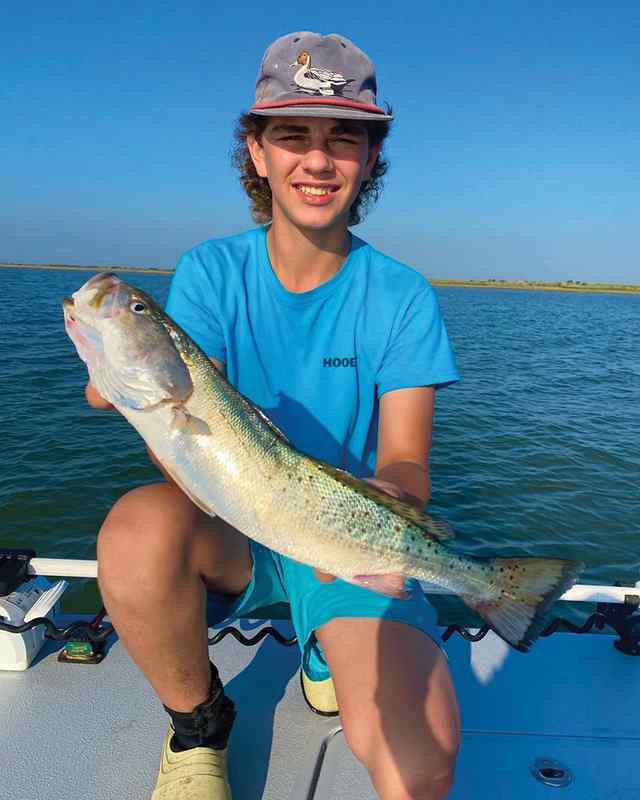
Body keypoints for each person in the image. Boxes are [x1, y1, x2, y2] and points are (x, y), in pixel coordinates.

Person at [87, 31, 461, 800]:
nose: (317, 161)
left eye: (343, 138)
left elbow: (406, 462)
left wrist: (390, 504)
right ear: (256, 153)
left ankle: (325, 644)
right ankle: (198, 726)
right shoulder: (210, 273)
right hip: (236, 529)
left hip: (340, 534)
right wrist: (129, 387)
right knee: (134, 528)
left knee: (419, 767)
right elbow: (189, 441)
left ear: (369, 160)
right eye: (292, 135)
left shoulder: (402, 297)